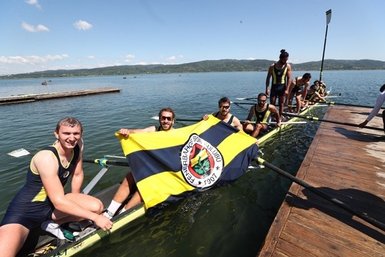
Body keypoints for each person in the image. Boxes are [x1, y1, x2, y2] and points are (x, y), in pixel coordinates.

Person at [0, 117, 112, 257]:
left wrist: (75, 198)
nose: (72, 138)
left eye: (76, 134)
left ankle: (51, 224)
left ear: (81, 134)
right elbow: (59, 202)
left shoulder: (78, 146)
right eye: (66, 133)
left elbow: (77, 174)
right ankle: (48, 224)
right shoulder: (46, 158)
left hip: (51, 207)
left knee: (97, 206)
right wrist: (96, 219)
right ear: (56, 134)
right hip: (25, 213)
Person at [104, 107, 176, 219]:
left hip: (165, 172)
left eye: (168, 118)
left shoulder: (177, 134)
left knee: (144, 186)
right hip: (151, 167)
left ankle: (122, 214)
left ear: (173, 121)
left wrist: (205, 120)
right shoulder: (154, 129)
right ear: (160, 119)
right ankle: (109, 212)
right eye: (163, 118)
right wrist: (127, 131)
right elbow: (138, 132)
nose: (166, 121)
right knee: (130, 176)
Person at [266, 49, 293, 117]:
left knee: (281, 104)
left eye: (286, 60)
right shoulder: (272, 66)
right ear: (280, 58)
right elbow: (268, 78)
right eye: (284, 60)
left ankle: (280, 117)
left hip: (282, 87)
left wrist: (287, 89)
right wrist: (267, 88)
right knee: (272, 104)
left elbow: (289, 78)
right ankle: (272, 117)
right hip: (274, 87)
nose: (285, 61)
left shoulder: (288, 66)